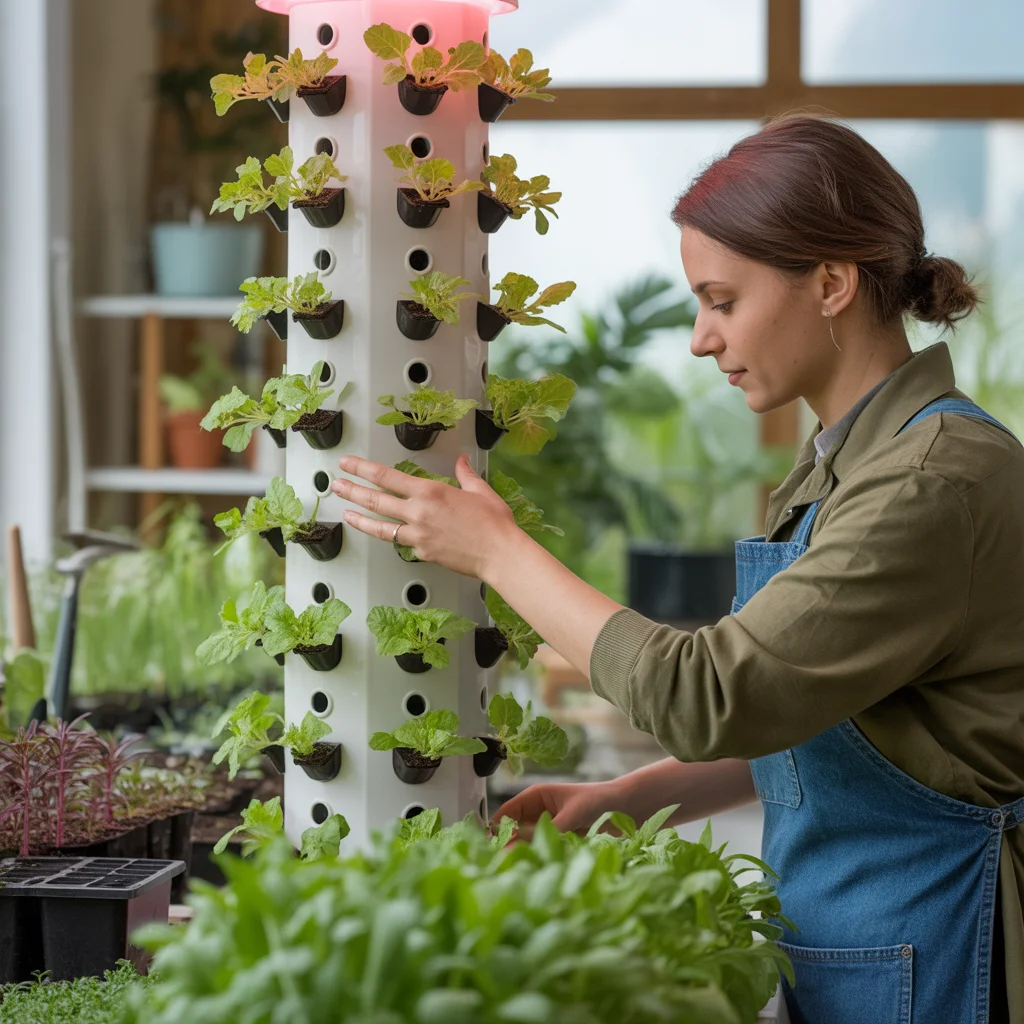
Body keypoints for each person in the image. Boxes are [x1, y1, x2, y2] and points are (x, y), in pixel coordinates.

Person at [330, 114, 1024, 1024]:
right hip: (860, 939)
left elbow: (708, 694)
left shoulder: (931, 483)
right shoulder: (847, 459)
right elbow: (820, 712)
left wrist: (497, 549)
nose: (701, 337)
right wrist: (631, 796)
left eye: (722, 300)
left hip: (933, 951)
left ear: (829, 283)